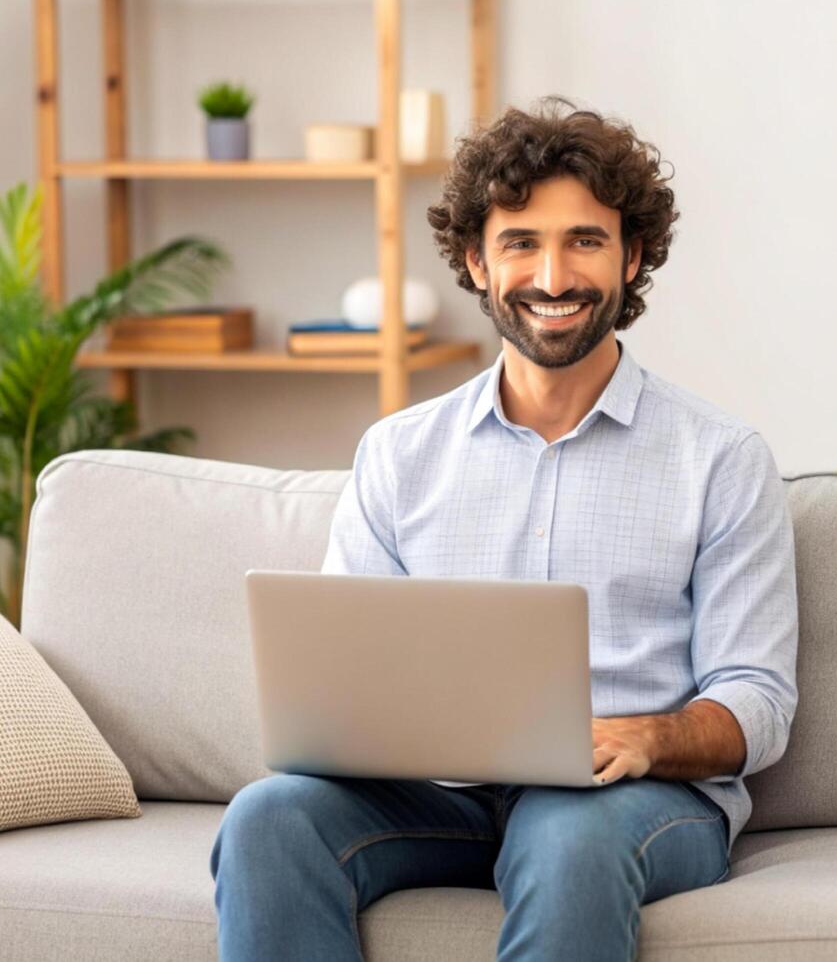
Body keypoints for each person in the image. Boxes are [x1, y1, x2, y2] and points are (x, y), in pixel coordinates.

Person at [210, 95, 799, 961]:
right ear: (476, 264)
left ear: (632, 257)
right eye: (520, 243)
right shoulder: (399, 453)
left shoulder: (720, 459)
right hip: (434, 797)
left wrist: (647, 737)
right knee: (269, 816)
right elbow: (342, 676)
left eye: (583, 241)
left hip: (626, 801)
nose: (552, 277)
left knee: (567, 836)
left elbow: (758, 699)